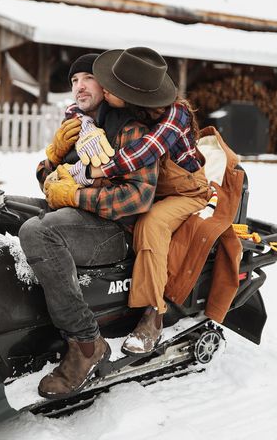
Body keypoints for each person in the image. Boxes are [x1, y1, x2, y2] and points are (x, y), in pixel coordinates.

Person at [0, 53, 158, 398]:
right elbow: (50, 183)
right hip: (75, 216)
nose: (79, 87)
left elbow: (139, 197)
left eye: (88, 78)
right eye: (74, 81)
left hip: (113, 230)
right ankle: (0, 318)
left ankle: (87, 344)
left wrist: (75, 196)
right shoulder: (78, 126)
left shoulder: (130, 130)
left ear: (108, 86)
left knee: (38, 232)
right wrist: (54, 157)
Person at [69, 47, 211, 356]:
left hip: (185, 191)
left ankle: (153, 315)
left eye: (112, 88)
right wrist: (84, 123)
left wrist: (91, 172)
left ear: (133, 96)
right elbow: (78, 108)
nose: (105, 89)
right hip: (154, 188)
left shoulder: (175, 113)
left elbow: (143, 153)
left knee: (152, 223)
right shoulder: (132, 111)